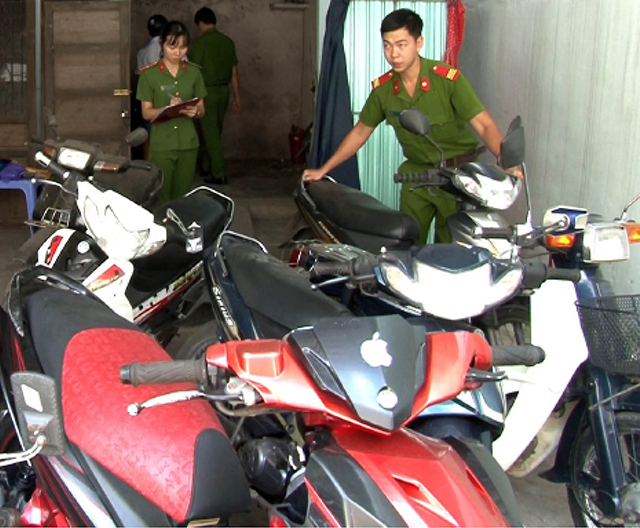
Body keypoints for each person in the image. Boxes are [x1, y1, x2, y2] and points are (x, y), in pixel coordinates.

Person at [303, 8, 516, 244]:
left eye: (401, 44)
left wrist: (508, 162)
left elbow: (483, 124)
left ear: (419, 43)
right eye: (387, 45)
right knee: (407, 244)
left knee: (453, 248)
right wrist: (324, 169)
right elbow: (360, 132)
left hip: (457, 178)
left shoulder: (447, 81)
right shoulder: (384, 91)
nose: (393, 53)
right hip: (416, 177)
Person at [136, 20, 207, 204]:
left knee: (182, 196)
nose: (177, 53)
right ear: (162, 43)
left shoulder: (194, 73)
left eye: (183, 48)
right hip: (162, 145)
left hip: (188, 143)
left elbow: (202, 109)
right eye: (172, 47)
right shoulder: (149, 75)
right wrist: (167, 109)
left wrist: (196, 111)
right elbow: (146, 113)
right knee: (162, 196)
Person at [189, 7, 240, 184]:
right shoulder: (228, 42)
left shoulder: (200, 43)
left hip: (207, 92)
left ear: (201, 23)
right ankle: (207, 165)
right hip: (224, 91)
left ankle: (219, 173)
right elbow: (234, 72)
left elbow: (193, 71)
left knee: (210, 134)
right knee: (215, 131)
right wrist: (237, 96)